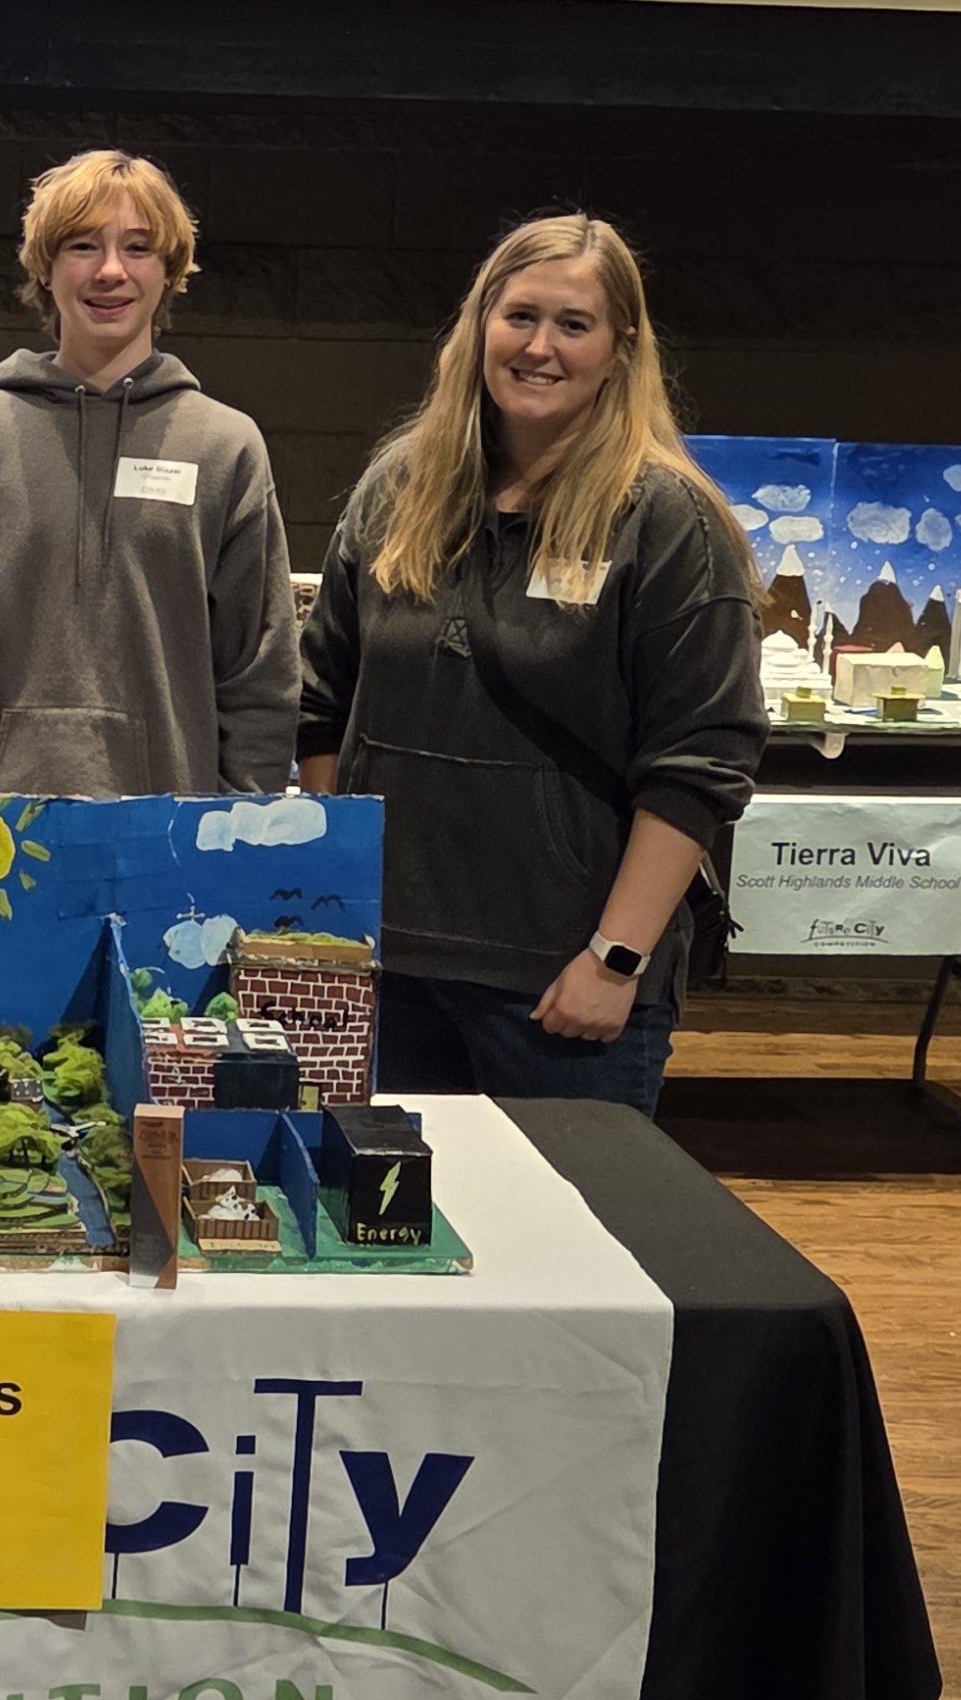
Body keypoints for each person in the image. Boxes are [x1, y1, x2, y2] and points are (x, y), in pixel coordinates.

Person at [297, 212, 766, 1115]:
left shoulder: (667, 521)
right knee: (392, 1244)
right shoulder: (398, 488)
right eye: (519, 316)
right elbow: (323, 699)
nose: (539, 347)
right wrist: (340, 901)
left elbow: (701, 763)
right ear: (479, 326)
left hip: (564, 989)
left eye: (573, 324)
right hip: (390, 972)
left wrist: (616, 958)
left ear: (621, 349)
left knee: (574, 1249)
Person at [0, 149, 299, 799]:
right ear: (45, 270)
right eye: (83, 245)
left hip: (165, 846)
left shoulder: (226, 446)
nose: (111, 270)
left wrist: (234, 840)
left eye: (138, 248)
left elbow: (259, 680)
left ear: (169, 273)